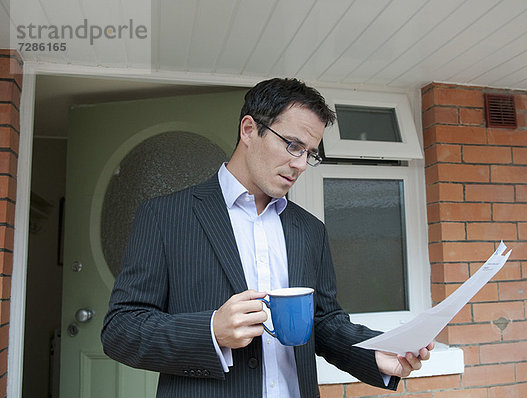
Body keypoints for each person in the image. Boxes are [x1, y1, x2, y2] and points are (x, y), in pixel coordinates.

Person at [101, 78, 434, 398]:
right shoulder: (164, 217)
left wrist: (375, 353)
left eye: (310, 153)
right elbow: (121, 330)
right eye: (292, 145)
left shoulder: (310, 230)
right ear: (249, 130)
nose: (300, 164)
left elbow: (324, 321)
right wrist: (211, 331)